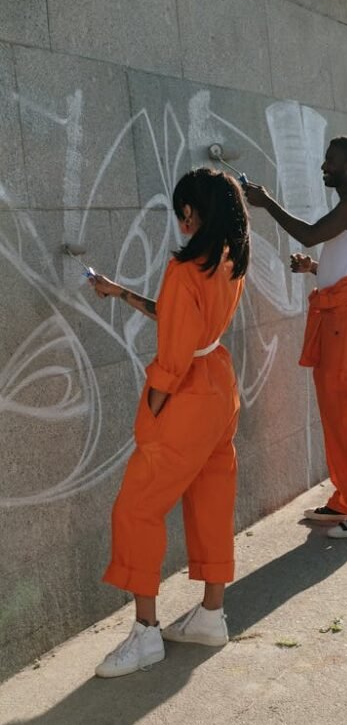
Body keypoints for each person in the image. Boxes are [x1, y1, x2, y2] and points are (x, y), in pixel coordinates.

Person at [89, 168, 250, 678]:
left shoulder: (185, 268)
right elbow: (187, 321)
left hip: (186, 394)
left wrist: (152, 409)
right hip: (220, 384)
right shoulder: (229, 257)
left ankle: (145, 635)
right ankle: (210, 615)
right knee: (211, 497)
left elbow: (175, 356)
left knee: (137, 507)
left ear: (192, 211)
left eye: (182, 210)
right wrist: (122, 294)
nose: (180, 219)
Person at [245, 136, 347, 539]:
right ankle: (346, 497)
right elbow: (345, 257)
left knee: (343, 412)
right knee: (334, 412)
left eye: (330, 162)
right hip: (337, 312)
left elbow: (310, 234)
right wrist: (315, 268)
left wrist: (266, 201)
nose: (323, 166)